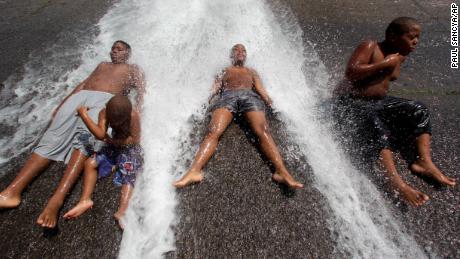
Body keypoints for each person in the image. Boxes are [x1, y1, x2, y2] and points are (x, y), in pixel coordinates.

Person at [0, 40, 145, 229]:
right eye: (113, 49)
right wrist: (63, 104)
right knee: (51, 138)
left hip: (105, 101)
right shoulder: (102, 65)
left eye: (119, 49)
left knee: (85, 139)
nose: (114, 52)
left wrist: (139, 110)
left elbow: (142, 91)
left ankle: (57, 200)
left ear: (128, 52)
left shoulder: (134, 69)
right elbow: (83, 84)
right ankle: (11, 192)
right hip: (80, 99)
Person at [334, 17, 456, 206]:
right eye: (411, 37)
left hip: (378, 102)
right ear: (392, 36)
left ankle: (424, 162)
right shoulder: (370, 47)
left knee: (419, 109)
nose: (416, 42)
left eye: (418, 38)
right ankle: (397, 184)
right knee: (375, 123)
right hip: (349, 103)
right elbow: (351, 72)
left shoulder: (401, 54)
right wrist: (383, 64)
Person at [173, 44, 303, 189]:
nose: (241, 52)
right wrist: (205, 101)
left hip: (250, 97)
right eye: (237, 50)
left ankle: (281, 172)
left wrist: (272, 104)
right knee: (213, 130)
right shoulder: (224, 70)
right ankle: (194, 171)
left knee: (263, 130)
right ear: (231, 55)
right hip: (227, 97)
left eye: (244, 50)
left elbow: (261, 90)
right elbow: (215, 88)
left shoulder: (252, 71)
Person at [63, 96, 142, 229]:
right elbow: (100, 134)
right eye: (114, 121)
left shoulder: (134, 116)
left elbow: (135, 140)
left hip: (130, 148)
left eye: (120, 121)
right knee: (90, 163)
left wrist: (114, 141)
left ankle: (122, 211)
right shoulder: (104, 112)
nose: (116, 124)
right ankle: (85, 200)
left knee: (128, 174)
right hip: (114, 145)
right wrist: (84, 115)